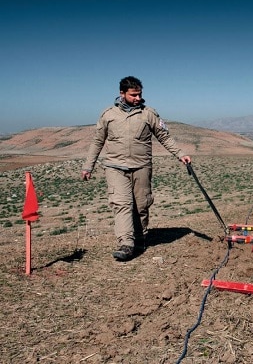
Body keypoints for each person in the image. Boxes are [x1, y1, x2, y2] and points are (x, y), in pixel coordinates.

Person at [81, 76, 191, 261]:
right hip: (115, 167)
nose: (138, 98)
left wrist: (180, 154)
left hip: (141, 166)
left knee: (141, 205)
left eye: (139, 94)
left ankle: (140, 238)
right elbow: (97, 141)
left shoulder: (149, 114)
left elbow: (164, 136)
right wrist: (88, 166)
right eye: (133, 95)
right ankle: (126, 244)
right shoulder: (108, 115)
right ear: (122, 94)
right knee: (122, 204)